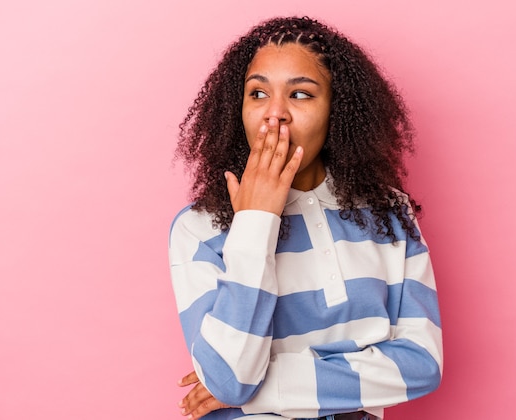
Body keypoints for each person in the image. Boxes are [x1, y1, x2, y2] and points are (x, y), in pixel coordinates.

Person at [169, 16, 442, 420]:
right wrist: (256, 221)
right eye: (258, 93)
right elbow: (230, 380)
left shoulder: (390, 213)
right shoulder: (199, 228)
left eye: (300, 95)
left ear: (339, 109)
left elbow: (422, 364)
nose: (274, 116)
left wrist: (266, 388)